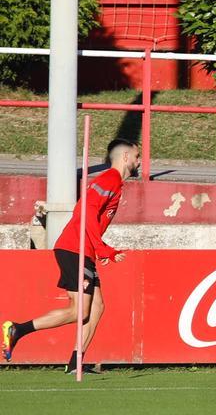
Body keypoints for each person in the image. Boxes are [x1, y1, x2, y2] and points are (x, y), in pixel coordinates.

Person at [4, 139, 141, 374]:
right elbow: (85, 211)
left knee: (97, 307)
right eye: (138, 157)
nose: (140, 162)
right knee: (79, 311)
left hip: (83, 249)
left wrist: (97, 247)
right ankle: (17, 330)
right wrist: (102, 248)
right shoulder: (110, 179)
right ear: (126, 157)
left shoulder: (114, 183)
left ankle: (76, 362)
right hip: (75, 248)